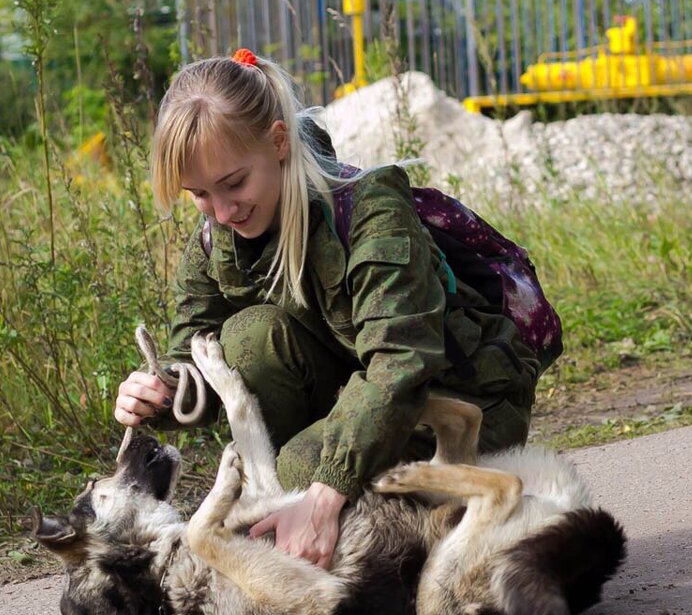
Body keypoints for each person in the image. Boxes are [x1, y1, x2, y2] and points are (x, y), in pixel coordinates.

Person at [114, 48, 540, 570]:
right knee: (249, 335)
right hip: (353, 396)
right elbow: (196, 342)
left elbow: (400, 362)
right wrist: (164, 390)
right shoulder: (218, 236)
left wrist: (326, 487)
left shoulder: (371, 211)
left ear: (278, 142)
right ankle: (320, 502)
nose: (223, 211)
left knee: (297, 472)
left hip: (455, 402)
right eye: (199, 194)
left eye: (234, 184)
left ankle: (341, 506)